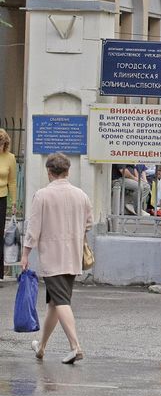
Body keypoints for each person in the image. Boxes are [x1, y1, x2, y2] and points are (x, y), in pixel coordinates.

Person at [21, 153, 93, 364]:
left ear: (49, 172)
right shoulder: (81, 194)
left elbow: (33, 229)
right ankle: (41, 347)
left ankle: (75, 346)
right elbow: (88, 223)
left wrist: (25, 254)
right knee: (54, 302)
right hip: (72, 255)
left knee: (60, 301)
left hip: (52, 256)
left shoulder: (42, 195)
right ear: (68, 171)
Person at [0, 128, 17, 281]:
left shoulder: (10, 157)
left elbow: (12, 181)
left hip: (1, 198)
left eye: (1, 144)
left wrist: (13, 202)